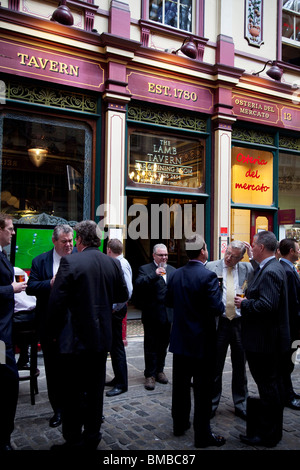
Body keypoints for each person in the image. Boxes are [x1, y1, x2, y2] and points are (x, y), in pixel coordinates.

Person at [47, 220, 129, 450]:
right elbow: (122, 293)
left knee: (72, 391)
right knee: (95, 389)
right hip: (101, 338)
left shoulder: (70, 262)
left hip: (74, 339)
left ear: (80, 240)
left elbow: (56, 303)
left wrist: (51, 334)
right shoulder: (112, 263)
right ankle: (92, 435)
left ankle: (73, 438)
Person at [166, 234, 226, 448]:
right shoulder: (208, 277)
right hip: (202, 342)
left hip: (181, 340)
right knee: (202, 390)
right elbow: (217, 308)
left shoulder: (176, 274)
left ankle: (180, 424)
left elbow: (169, 301)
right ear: (202, 251)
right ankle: (202, 435)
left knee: (180, 387)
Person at [235, 230, 290, 448]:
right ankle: (271, 432)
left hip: (265, 343)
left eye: (253, 244)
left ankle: (268, 434)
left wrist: (244, 304)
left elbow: (267, 305)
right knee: (270, 388)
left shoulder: (271, 271)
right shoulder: (268, 267)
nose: (251, 248)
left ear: (261, 247)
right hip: (266, 341)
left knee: (269, 389)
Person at [26, 224, 74, 428]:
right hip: (50, 325)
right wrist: (51, 283)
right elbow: (31, 288)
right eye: (64, 241)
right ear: (54, 241)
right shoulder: (40, 261)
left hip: (74, 326)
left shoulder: (79, 258)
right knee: (53, 370)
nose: (69, 245)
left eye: (71, 240)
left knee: (73, 370)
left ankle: (78, 408)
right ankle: (59, 411)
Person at [206, 240, 255, 420]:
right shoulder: (211, 266)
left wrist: (252, 258)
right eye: (227, 253)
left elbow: (260, 274)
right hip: (220, 322)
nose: (228, 258)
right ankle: (212, 402)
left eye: (234, 257)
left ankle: (241, 403)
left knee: (240, 366)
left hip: (240, 323)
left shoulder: (246, 268)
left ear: (241, 257)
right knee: (215, 365)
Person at [0, 214, 27, 452]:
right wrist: (11, 288)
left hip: (6, 331)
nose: (13, 232)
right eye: (10, 228)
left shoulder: (3, 254)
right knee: (7, 380)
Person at [135, 243, 176, 391]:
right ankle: (150, 374)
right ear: (154, 255)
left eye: (165, 255)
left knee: (163, 345)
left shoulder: (172, 270)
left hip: (167, 315)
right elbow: (138, 284)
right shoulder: (145, 269)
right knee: (150, 345)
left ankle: (160, 370)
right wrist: (154, 274)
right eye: (161, 255)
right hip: (152, 314)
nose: (164, 257)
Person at [105, 238, 133, 397]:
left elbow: (127, 292)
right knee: (114, 347)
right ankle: (118, 378)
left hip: (117, 311)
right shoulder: (119, 262)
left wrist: (115, 308)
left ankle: (122, 384)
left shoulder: (121, 264)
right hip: (115, 310)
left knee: (117, 347)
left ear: (109, 250)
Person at [279, 238, 300, 410]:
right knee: (287, 362)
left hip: (291, 327)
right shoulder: (287, 271)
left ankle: (288, 392)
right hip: (292, 328)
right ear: (291, 251)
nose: (299, 252)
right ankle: (288, 394)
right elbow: (293, 304)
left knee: (288, 362)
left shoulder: (289, 269)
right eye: (298, 249)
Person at [13, 267, 36, 370]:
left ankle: (3, 363)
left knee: (2, 339)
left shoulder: (14, 272)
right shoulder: (17, 271)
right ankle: (23, 357)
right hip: (32, 316)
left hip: (17, 319)